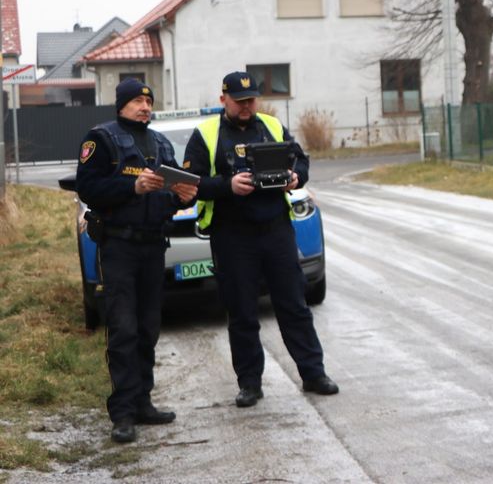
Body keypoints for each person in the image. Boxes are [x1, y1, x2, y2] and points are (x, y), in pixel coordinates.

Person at [183, 71, 338, 408]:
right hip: (232, 234)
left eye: (251, 100)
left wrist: (296, 177)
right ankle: (250, 384)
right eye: (239, 102)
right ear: (223, 99)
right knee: (242, 312)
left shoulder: (271, 125)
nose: (246, 106)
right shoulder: (206, 133)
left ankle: (313, 373)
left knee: (294, 305)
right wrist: (228, 186)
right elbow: (190, 184)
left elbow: (301, 160)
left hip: (275, 230)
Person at [75, 79, 198, 444]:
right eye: (137, 101)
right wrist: (132, 187)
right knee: (124, 328)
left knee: (148, 327)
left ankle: (143, 401)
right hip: (119, 247)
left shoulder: (159, 143)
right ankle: (123, 413)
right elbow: (89, 189)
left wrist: (183, 196)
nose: (144, 106)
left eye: (148, 100)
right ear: (121, 105)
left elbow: (174, 191)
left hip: (152, 246)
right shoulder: (101, 139)